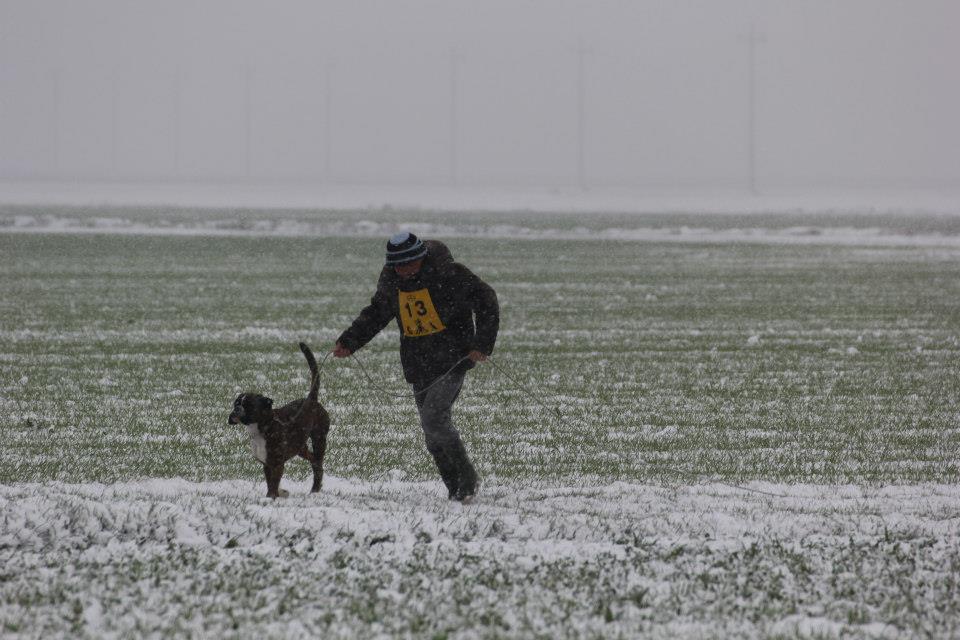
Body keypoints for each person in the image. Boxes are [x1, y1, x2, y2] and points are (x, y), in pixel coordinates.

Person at [333, 231, 499, 502]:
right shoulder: (392, 280)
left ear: (420, 258)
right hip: (418, 362)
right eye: (397, 266)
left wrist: (482, 343)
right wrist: (349, 341)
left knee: (434, 418)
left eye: (408, 264)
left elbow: (487, 299)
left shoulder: (451, 274)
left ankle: (467, 478)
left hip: (453, 358)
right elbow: (377, 313)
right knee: (431, 432)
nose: (403, 270)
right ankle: (454, 487)